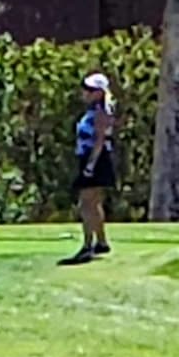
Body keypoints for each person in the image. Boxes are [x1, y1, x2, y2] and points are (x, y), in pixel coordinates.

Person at [62, 72, 117, 264]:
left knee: (86, 203)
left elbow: (99, 140)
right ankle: (101, 242)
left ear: (99, 93)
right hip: (89, 158)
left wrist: (90, 165)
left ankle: (87, 245)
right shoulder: (93, 110)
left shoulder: (101, 112)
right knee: (93, 203)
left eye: (90, 90)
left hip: (95, 159)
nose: (85, 92)